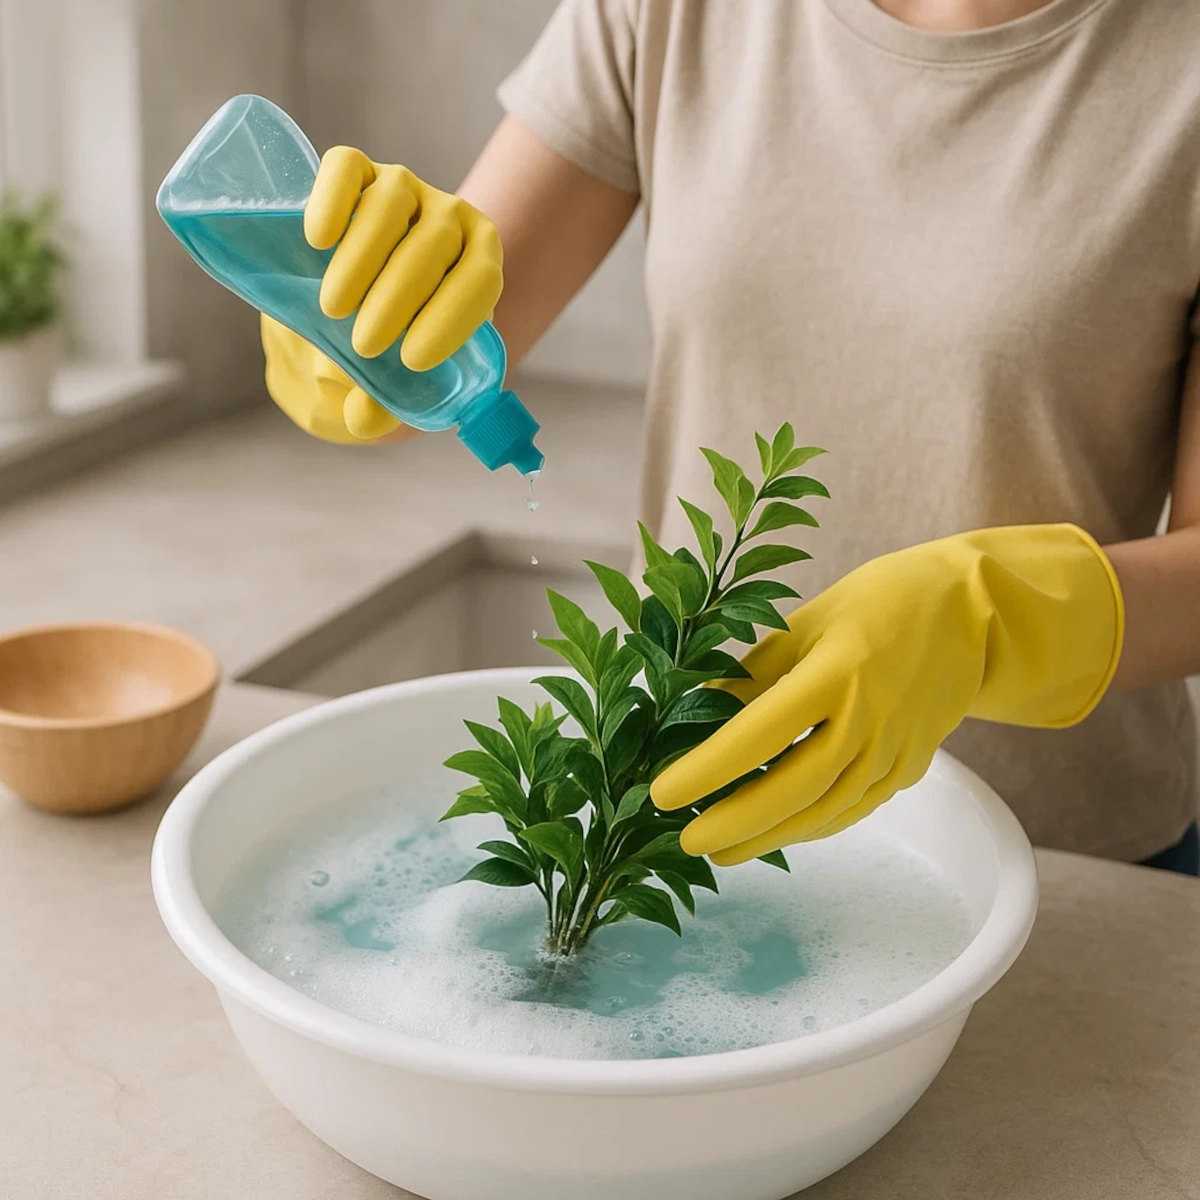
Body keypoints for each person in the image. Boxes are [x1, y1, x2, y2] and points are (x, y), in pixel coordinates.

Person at [260, 0, 1200, 876]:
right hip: (688, 815)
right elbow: (443, 351)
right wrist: (343, 317)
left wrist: (990, 618)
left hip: (1068, 860)